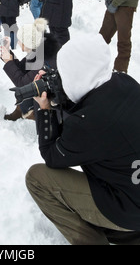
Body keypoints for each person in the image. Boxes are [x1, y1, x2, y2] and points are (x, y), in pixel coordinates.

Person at [26, 33, 140, 245]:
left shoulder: (87, 123)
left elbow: (52, 155)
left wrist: (44, 109)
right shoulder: (126, 82)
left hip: (129, 208)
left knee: (37, 178)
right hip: (133, 185)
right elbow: (92, 109)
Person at [1, 18, 60, 121]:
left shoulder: (43, 61)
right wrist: (8, 54)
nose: (18, 43)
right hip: (49, 90)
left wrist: (8, 62)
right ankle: (21, 111)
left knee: (28, 87)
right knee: (29, 83)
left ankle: (35, 115)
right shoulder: (39, 49)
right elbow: (22, 70)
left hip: (55, 99)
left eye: (20, 40)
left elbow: (22, 83)